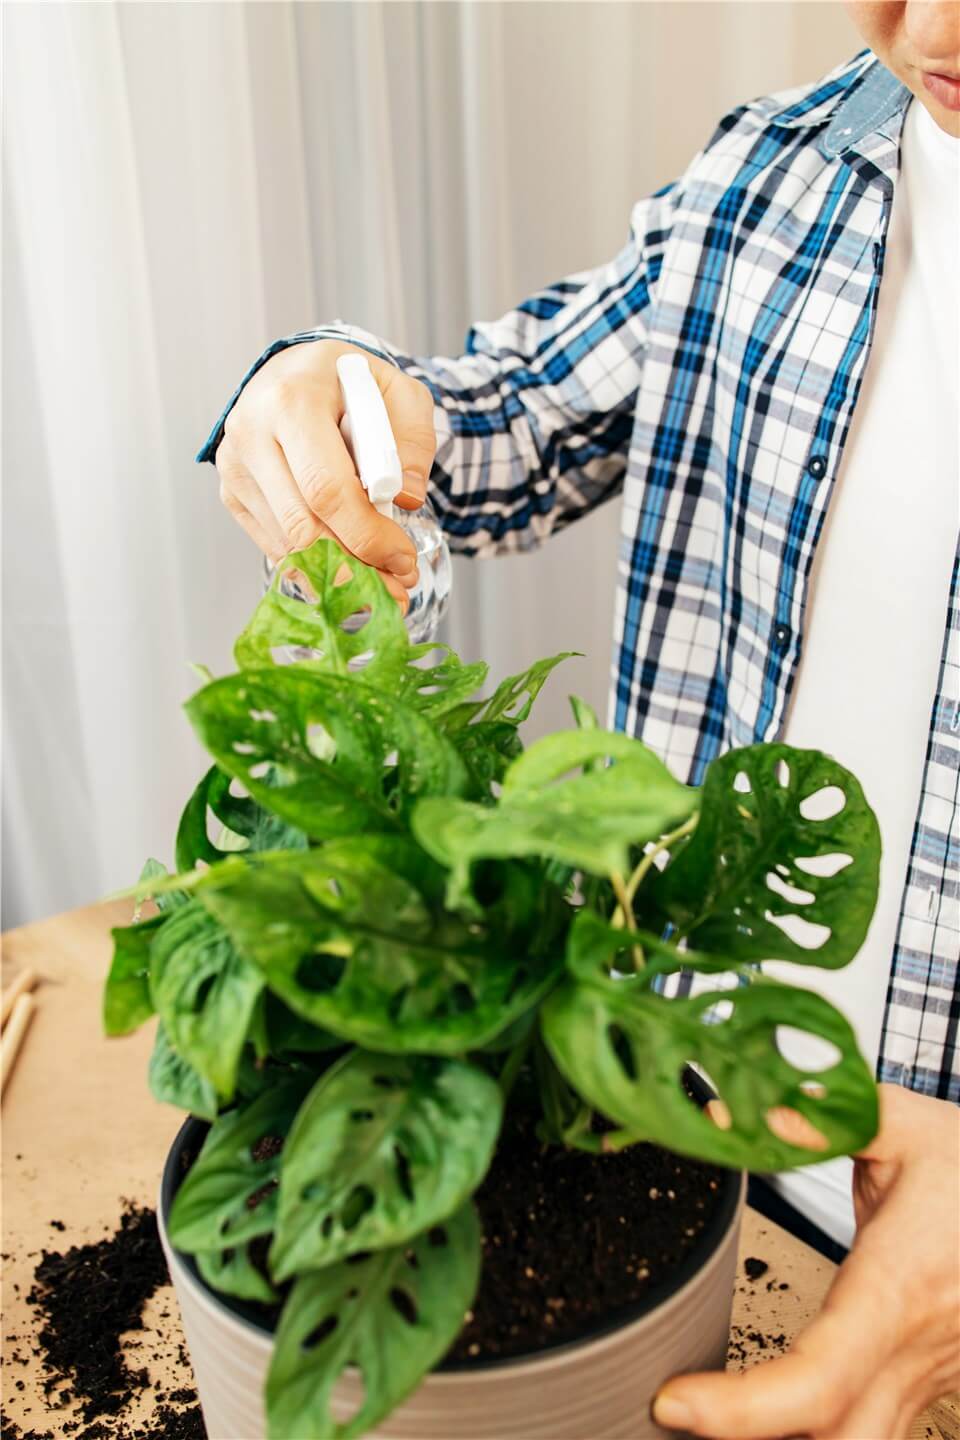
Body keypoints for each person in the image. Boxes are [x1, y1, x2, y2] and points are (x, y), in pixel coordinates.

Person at [200, 3, 960, 1434]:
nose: (928, 26)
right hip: (680, 1164)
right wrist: (334, 396)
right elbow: (513, 410)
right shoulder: (777, 174)